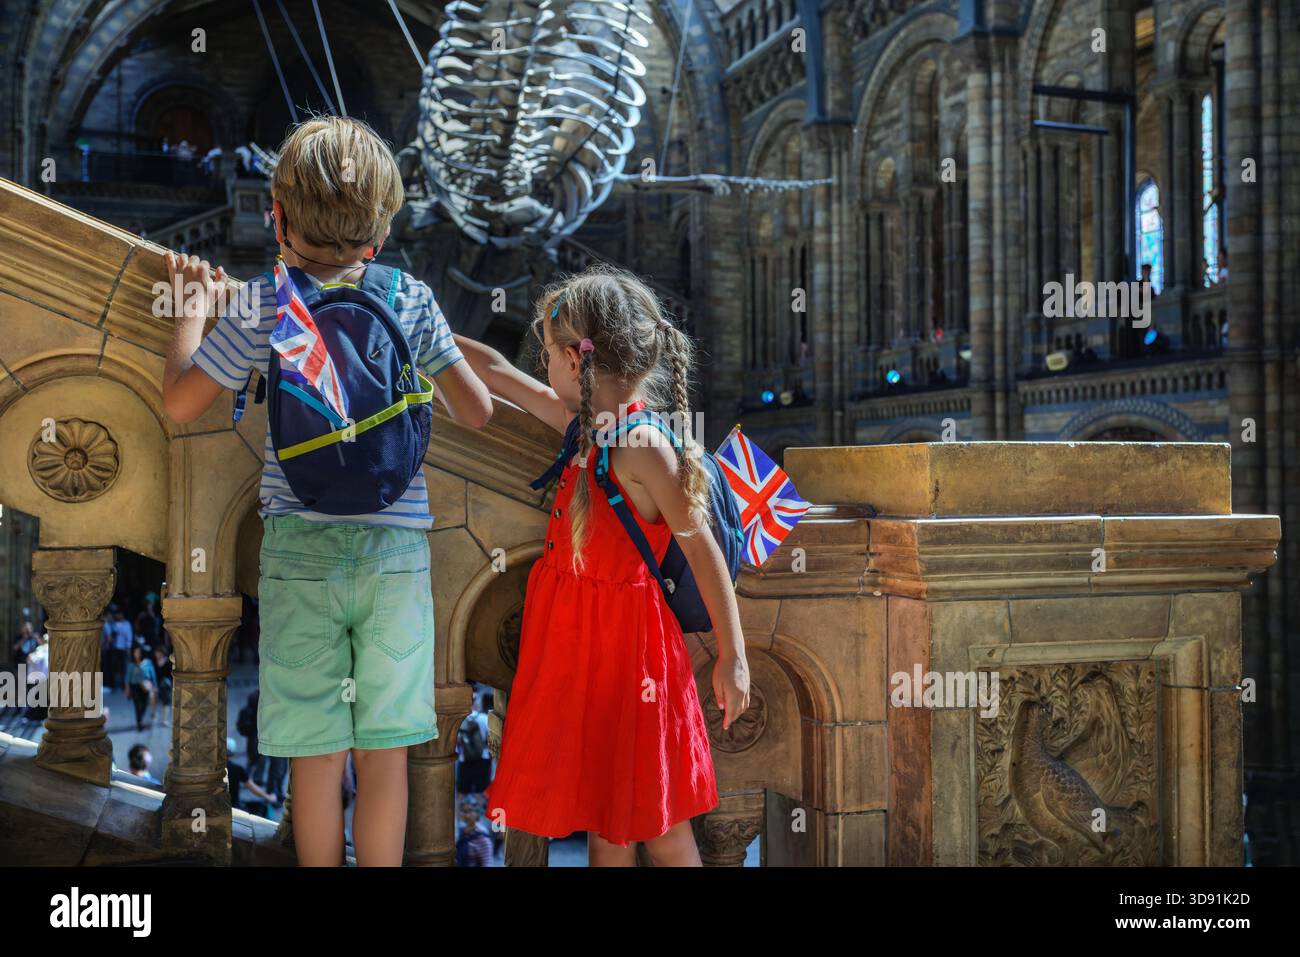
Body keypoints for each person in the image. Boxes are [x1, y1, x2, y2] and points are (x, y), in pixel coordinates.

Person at [159, 115, 493, 867]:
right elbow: (477, 410)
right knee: (383, 755)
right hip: (397, 553)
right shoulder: (410, 298)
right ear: (379, 228)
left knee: (316, 753)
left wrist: (187, 314)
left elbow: (182, 401)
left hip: (300, 550)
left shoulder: (262, 304)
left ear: (277, 216)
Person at [460, 265, 751, 866]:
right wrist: (421, 328)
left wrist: (735, 656)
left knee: (661, 826)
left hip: (631, 655)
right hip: (580, 650)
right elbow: (500, 376)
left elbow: (701, 549)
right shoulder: (589, 428)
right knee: (605, 822)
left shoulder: (640, 445)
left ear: (575, 360)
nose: (541, 366)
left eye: (547, 353)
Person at [456, 700, 491, 795]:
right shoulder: (485, 718)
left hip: (464, 758)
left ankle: (464, 808)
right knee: (482, 790)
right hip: (483, 757)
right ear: (475, 704)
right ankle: (482, 809)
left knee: (463, 791)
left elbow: (456, 741)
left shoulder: (458, 720)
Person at [124, 645, 156, 732]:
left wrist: (154, 685)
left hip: (146, 686)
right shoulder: (131, 665)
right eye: (135, 652)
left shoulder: (148, 663)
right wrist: (127, 689)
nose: (137, 654)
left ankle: (140, 720)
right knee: (137, 705)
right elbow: (127, 678)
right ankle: (139, 724)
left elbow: (152, 674)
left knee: (145, 704)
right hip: (135, 687)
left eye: (138, 652)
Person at [455, 800, 494, 867]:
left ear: (477, 813)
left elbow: (487, 863)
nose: (466, 815)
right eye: (464, 811)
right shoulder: (462, 831)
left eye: (470, 811)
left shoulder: (482, 836)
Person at [148, 645, 173, 726]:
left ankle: (165, 719)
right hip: (155, 684)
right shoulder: (153, 662)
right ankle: (154, 714)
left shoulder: (168, 663)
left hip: (165, 685)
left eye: (158, 653)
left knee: (166, 701)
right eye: (156, 653)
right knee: (152, 696)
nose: (156, 654)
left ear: (162, 653)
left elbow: (171, 676)